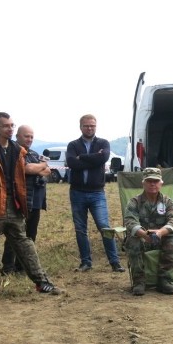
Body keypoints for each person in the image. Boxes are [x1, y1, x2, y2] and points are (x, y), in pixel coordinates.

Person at [0, 112, 61, 296]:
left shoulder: (17, 150)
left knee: (24, 244)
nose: (10, 129)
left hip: (14, 206)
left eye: (12, 125)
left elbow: (26, 172)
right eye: (6, 126)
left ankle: (41, 282)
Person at [66, 114, 125, 273]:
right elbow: (72, 163)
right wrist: (94, 158)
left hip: (97, 193)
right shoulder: (72, 145)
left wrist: (83, 158)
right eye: (86, 126)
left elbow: (103, 158)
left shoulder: (103, 143)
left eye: (92, 125)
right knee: (80, 229)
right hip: (77, 192)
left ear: (96, 126)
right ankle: (86, 262)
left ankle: (115, 262)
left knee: (104, 227)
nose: (89, 128)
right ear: (81, 127)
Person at [123, 167, 173, 296]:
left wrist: (160, 233)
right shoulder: (134, 202)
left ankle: (164, 279)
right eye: (149, 181)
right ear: (143, 183)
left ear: (161, 183)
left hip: (162, 237)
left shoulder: (168, 202)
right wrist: (143, 234)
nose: (152, 184)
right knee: (132, 242)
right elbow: (130, 222)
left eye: (155, 181)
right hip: (142, 237)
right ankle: (139, 281)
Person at [1, 124, 51, 275]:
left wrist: (39, 167)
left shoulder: (34, 154)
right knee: (14, 235)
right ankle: (8, 267)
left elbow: (48, 171)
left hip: (35, 202)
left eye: (31, 136)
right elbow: (27, 169)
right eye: (26, 136)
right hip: (20, 201)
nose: (29, 139)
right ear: (17, 136)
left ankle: (22, 267)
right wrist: (41, 166)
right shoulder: (13, 152)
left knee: (30, 235)